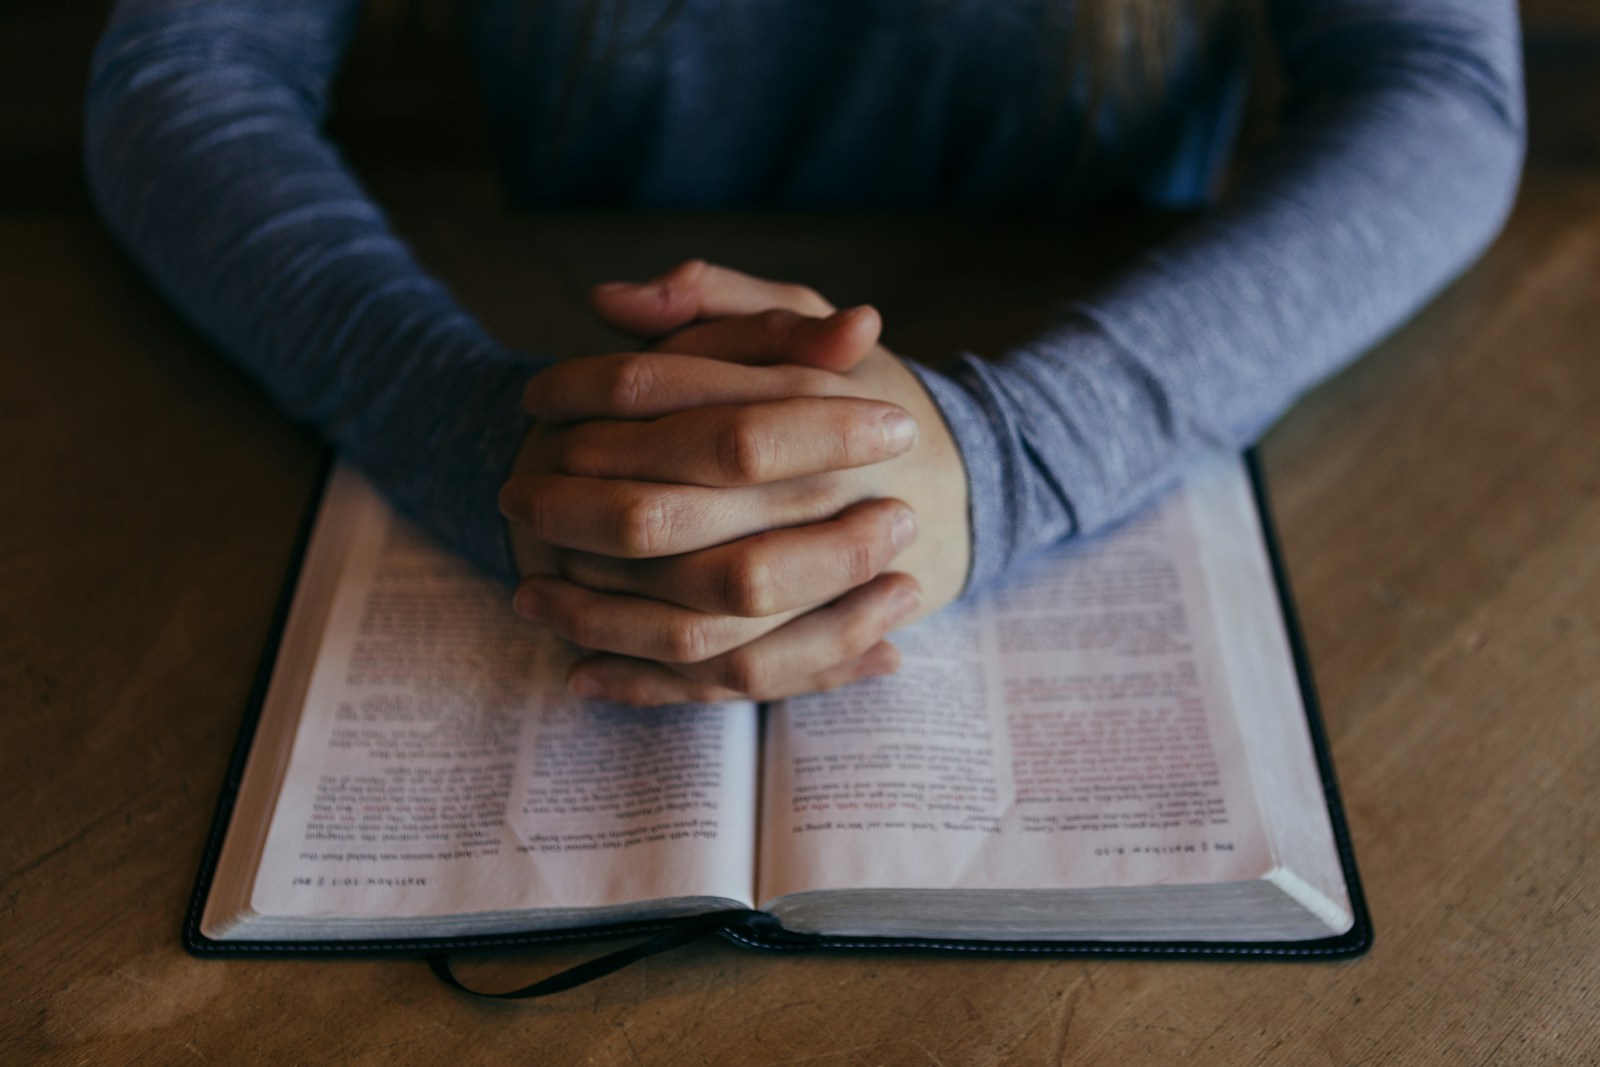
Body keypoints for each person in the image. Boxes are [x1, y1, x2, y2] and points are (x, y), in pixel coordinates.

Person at [84, 0, 1525, 705]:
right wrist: (492, 438)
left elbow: (1438, 86)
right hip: (580, 347)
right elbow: (181, 72)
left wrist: (1013, 451)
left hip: (1101, 337)